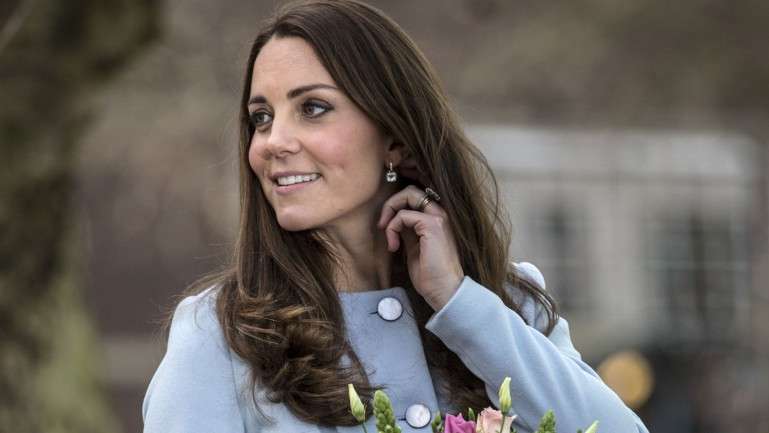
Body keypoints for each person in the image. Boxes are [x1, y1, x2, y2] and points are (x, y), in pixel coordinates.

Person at [141, 1, 649, 432]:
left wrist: (459, 303)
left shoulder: (507, 304)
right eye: (261, 118)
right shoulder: (221, 336)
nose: (273, 143)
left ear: (396, 137)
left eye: (313, 108)